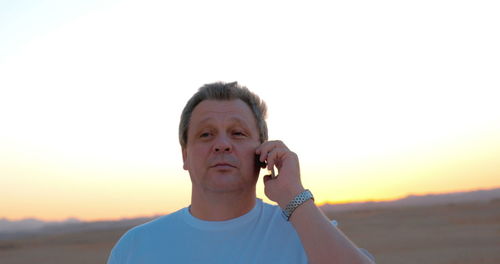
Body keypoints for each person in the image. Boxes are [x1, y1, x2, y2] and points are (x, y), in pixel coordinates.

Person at [107, 82, 375, 264]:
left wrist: (294, 195)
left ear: (263, 151)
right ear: (185, 155)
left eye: (238, 133)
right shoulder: (136, 248)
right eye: (205, 134)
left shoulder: (305, 234)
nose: (222, 144)